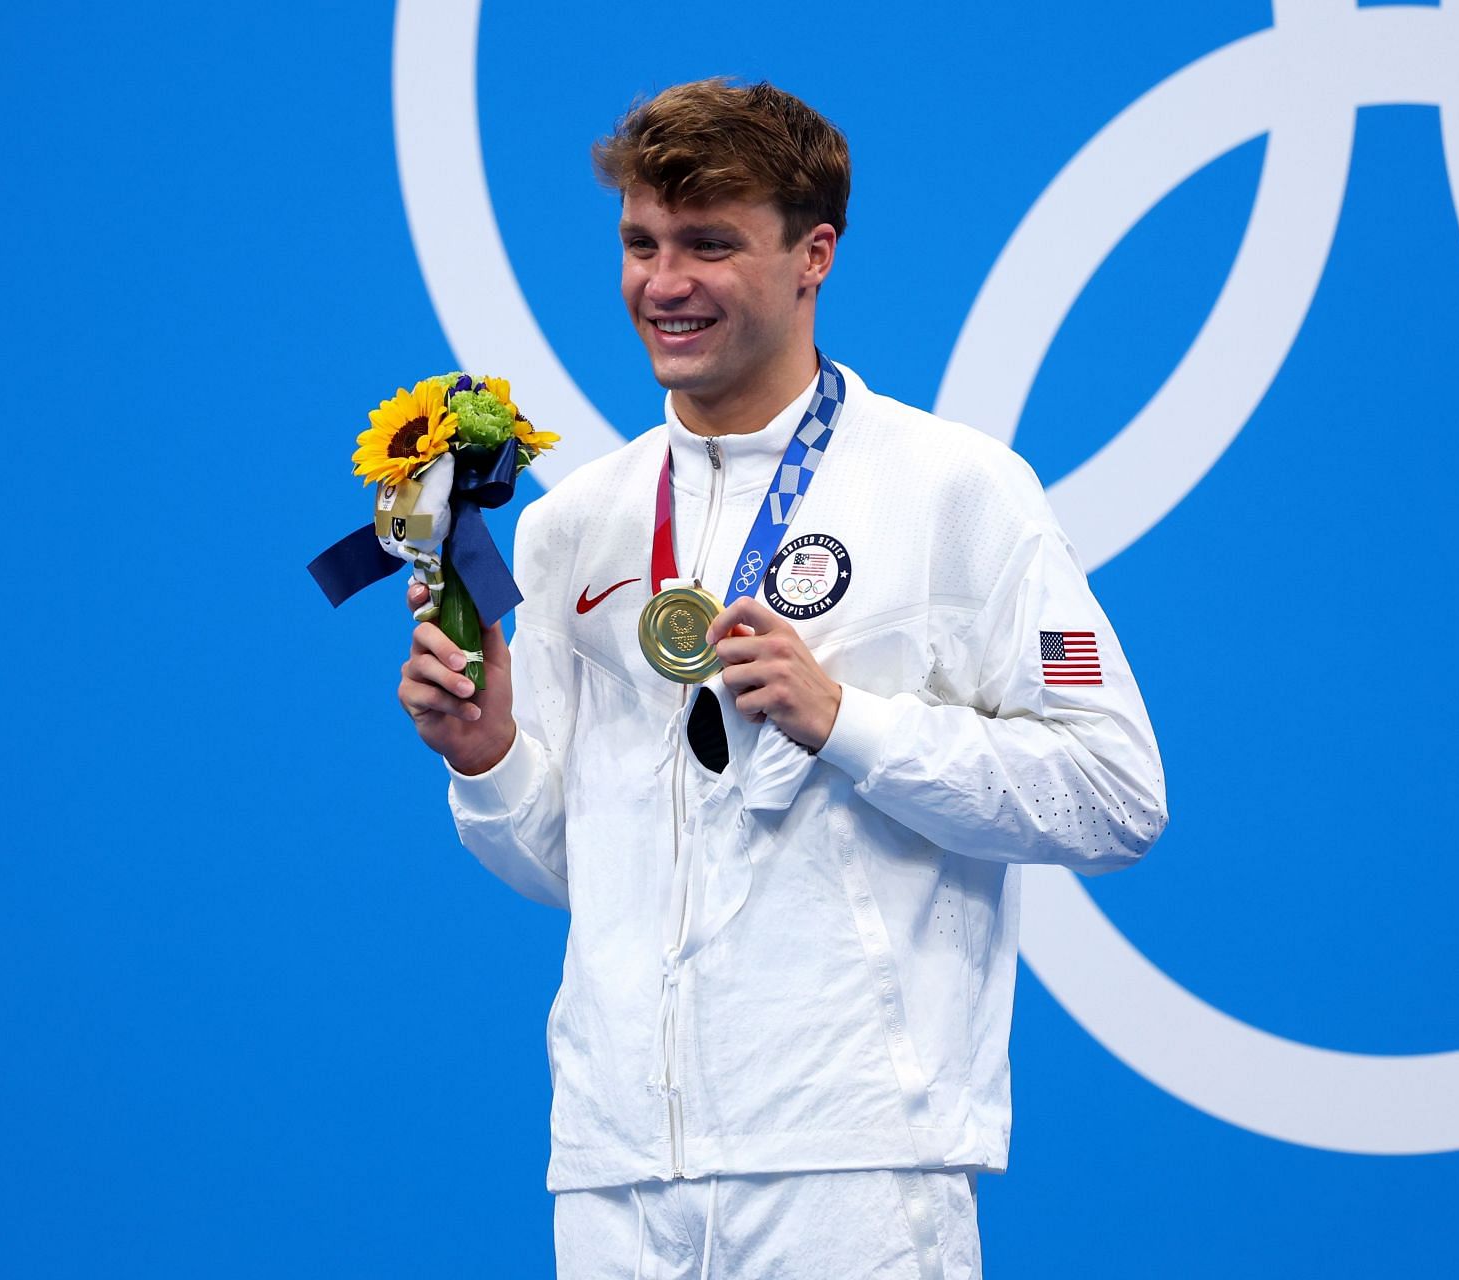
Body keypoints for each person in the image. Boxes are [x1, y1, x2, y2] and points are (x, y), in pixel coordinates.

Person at [396, 78, 1167, 1280]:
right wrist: (488, 756)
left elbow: (1115, 792)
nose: (664, 282)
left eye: (710, 243)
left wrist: (848, 723)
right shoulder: (572, 529)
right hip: (614, 1169)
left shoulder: (955, 490)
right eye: (641, 244)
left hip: (850, 1166)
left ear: (816, 254)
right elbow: (569, 866)